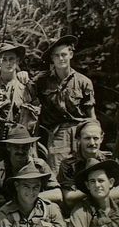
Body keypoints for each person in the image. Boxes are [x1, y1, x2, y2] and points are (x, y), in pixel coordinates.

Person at [34, 35, 96, 175]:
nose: (61, 58)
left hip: (81, 132)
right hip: (57, 134)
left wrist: (94, 137)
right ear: (52, 58)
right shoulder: (42, 81)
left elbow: (91, 116)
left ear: (71, 54)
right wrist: (23, 75)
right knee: (59, 176)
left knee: (87, 172)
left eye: (64, 54)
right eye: (56, 56)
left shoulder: (83, 82)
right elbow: (27, 93)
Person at [0, 124, 62, 213]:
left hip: (37, 212)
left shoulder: (39, 166)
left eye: (25, 147)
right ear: (8, 147)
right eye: (16, 147)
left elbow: (57, 194)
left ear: (30, 146)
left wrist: (21, 200)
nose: (21, 151)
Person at [57, 119, 119, 210]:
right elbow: (69, 198)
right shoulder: (68, 165)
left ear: (102, 138)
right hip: (82, 210)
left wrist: (83, 193)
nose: (92, 143)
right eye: (87, 138)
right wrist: (102, 191)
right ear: (78, 139)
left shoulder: (110, 161)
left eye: (95, 138)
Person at [0, 160, 66, 227]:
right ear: (17, 186)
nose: (31, 191)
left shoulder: (51, 210)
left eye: (36, 187)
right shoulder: (5, 215)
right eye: (26, 186)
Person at [70, 158, 119, 227]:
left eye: (101, 180)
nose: (97, 185)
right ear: (88, 185)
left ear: (111, 182)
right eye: (92, 181)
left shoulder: (117, 208)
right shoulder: (81, 212)